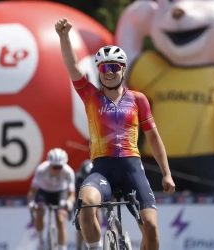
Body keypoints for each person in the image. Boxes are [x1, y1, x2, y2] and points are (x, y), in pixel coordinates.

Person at [55, 18, 176, 250]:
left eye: (114, 67)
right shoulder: (90, 95)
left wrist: (166, 174)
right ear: (99, 71)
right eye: (103, 67)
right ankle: (96, 247)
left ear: (122, 69)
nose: (109, 72)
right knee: (86, 203)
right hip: (102, 169)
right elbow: (73, 68)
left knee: (151, 228)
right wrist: (64, 37)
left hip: (132, 168)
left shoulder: (138, 99)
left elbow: (153, 137)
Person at [27, 148, 76, 250]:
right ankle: (40, 241)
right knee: (39, 212)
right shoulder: (41, 170)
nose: (57, 169)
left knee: (61, 220)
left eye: (60, 167)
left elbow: (71, 194)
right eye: (54, 167)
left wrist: (70, 203)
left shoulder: (69, 172)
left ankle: (62, 248)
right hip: (43, 192)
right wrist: (31, 203)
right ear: (49, 164)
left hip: (60, 193)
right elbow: (32, 191)